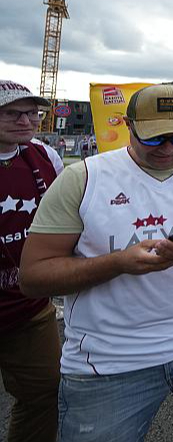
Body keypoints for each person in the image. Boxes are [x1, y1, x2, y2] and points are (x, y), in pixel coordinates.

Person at [20, 84, 173, 439]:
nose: (168, 148)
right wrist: (117, 263)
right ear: (128, 125)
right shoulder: (84, 179)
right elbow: (33, 276)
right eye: (154, 137)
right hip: (110, 357)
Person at [0, 81, 62, 442]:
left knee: (46, 392)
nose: (26, 121)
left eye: (33, 113)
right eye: (12, 113)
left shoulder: (43, 156)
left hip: (29, 306)